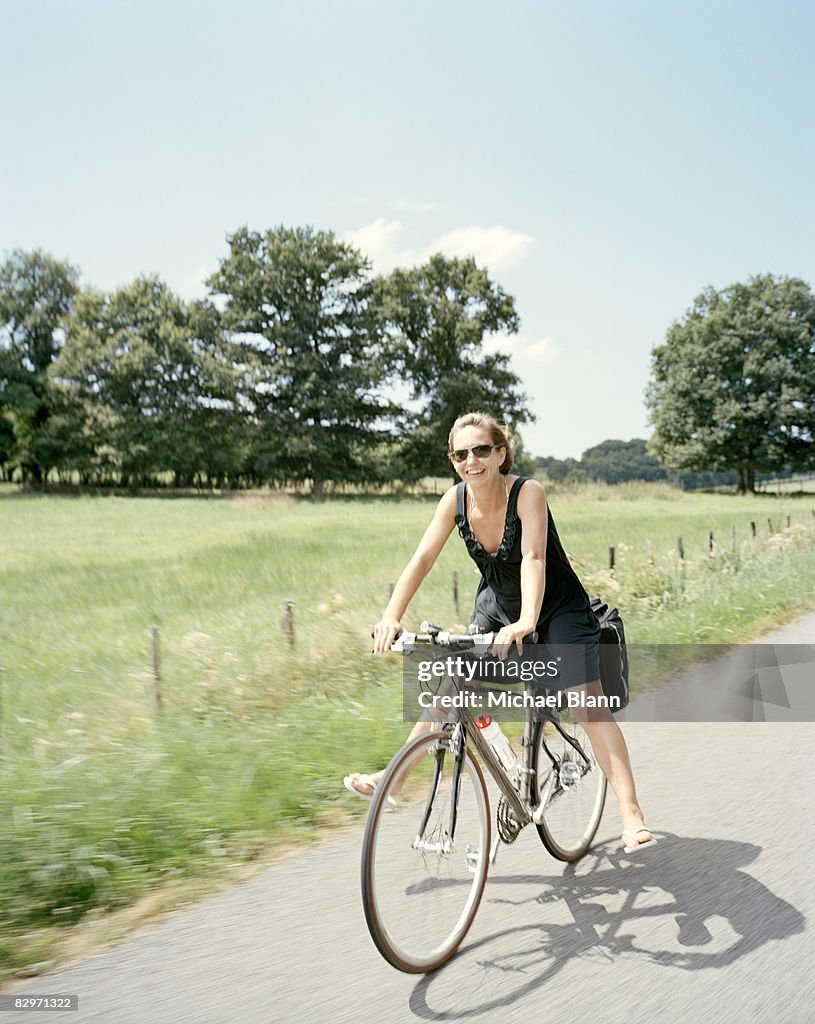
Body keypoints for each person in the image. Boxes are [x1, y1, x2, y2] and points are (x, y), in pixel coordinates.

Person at [344, 411, 656, 853]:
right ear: (453, 460)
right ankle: (392, 779)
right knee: (452, 682)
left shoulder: (528, 493)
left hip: (556, 607)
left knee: (586, 703)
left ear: (501, 453)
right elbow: (421, 559)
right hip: (497, 606)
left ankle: (630, 811)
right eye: (461, 453)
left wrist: (529, 620)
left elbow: (532, 558)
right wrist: (392, 614)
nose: (472, 460)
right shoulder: (453, 502)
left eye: (481, 450)